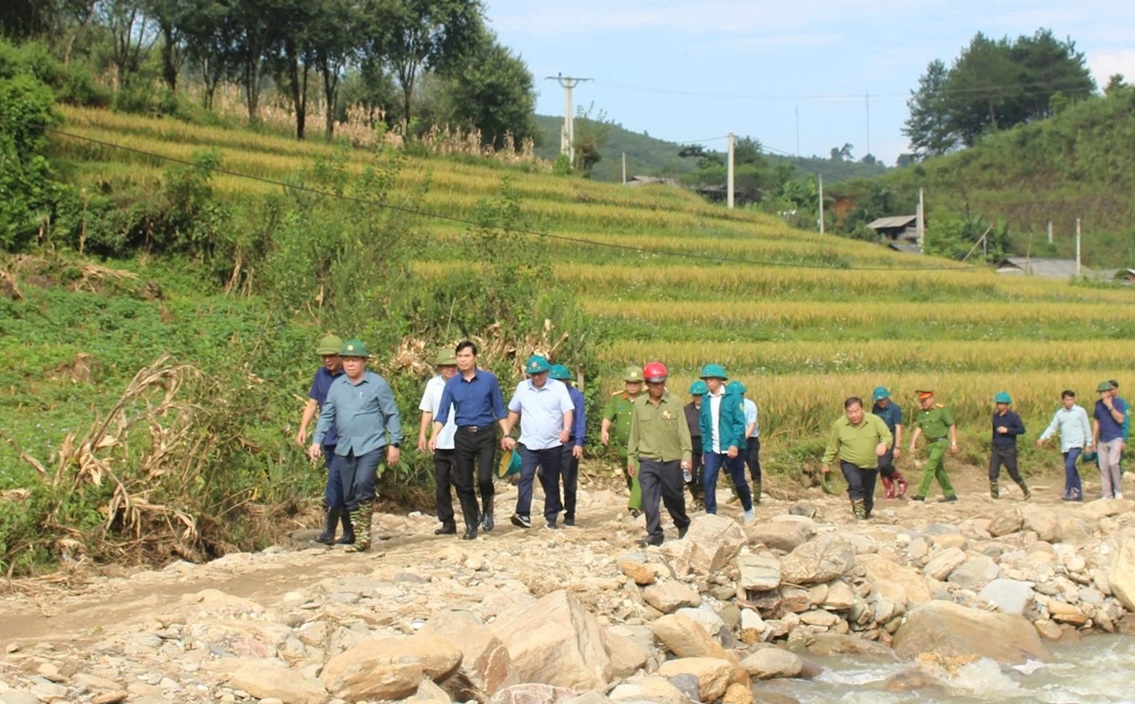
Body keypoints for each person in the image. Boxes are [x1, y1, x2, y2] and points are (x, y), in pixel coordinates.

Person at [308, 338, 402, 553]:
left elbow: (391, 413)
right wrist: (316, 440)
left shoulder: (377, 384)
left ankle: (363, 536)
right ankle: (358, 533)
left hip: (371, 444)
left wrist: (394, 442)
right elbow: (326, 414)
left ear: (364, 362)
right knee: (348, 493)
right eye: (347, 360)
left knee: (362, 483)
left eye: (355, 360)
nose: (350, 364)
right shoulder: (337, 386)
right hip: (345, 446)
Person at [432, 341, 508, 540]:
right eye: (460, 357)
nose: (463, 360)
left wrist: (507, 434)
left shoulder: (488, 380)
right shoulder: (452, 384)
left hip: (485, 434)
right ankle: (471, 525)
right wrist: (434, 435)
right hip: (463, 435)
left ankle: (488, 507)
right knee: (463, 482)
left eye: (466, 356)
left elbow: (499, 409)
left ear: (475, 357)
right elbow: (442, 413)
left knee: (483, 478)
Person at [501, 355, 574, 530]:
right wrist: (506, 433)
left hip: (552, 444)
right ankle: (523, 513)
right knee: (525, 477)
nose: (536, 377)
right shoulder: (522, 388)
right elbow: (514, 411)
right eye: (532, 374)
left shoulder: (558, 388)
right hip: (528, 442)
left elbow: (568, 410)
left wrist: (566, 430)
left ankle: (551, 516)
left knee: (550, 480)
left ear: (546, 372)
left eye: (539, 373)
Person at [627, 361, 692, 546]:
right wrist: (631, 458)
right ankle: (654, 533)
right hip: (648, 459)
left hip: (671, 459)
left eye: (661, 383)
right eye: (654, 384)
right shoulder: (640, 404)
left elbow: (683, 431)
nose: (659, 387)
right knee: (648, 498)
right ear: (647, 384)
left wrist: (687, 455)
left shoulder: (675, 402)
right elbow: (635, 433)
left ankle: (682, 524)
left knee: (673, 497)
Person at [295, 335, 351, 545]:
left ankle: (332, 530)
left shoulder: (350, 375)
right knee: (338, 483)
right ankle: (345, 531)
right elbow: (312, 403)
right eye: (324, 356)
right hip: (328, 438)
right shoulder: (321, 375)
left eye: (331, 355)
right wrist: (303, 428)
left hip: (348, 439)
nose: (327, 359)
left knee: (336, 483)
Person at [698, 364, 754, 522]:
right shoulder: (705, 399)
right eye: (706, 379)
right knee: (708, 479)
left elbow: (739, 422)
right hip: (712, 447)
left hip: (732, 446)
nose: (708, 381)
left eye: (711, 378)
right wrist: (704, 449)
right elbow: (703, 425)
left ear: (720, 380)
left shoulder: (733, 396)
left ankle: (748, 508)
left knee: (739, 481)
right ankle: (710, 513)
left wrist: (735, 443)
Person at [821, 396, 892, 519]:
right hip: (849, 462)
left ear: (862, 409)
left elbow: (887, 436)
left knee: (868, 495)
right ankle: (858, 513)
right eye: (850, 412)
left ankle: (866, 512)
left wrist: (884, 444)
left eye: (856, 411)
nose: (853, 415)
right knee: (855, 485)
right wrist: (826, 463)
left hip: (870, 464)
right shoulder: (839, 425)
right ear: (846, 412)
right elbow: (832, 446)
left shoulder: (875, 421)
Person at [418, 351, 460, 535]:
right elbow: (428, 411)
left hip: (461, 440)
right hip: (440, 440)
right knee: (441, 483)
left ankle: (473, 515)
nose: (450, 369)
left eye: (453, 365)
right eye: (445, 366)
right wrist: (423, 434)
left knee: (461, 480)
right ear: (440, 368)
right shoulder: (433, 385)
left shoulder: (464, 382)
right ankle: (447, 521)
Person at [602, 366, 645, 517]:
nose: (632, 386)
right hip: (623, 447)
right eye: (629, 383)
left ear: (641, 384)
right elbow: (608, 417)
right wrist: (604, 430)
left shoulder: (647, 398)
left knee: (638, 475)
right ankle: (642, 501)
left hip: (641, 447)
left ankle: (633, 507)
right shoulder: (618, 398)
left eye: (635, 383)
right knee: (630, 476)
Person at [1037, 390, 1093, 501]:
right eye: (1067, 400)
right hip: (1066, 445)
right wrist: (1043, 437)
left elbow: (1086, 427)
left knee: (1069, 465)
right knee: (1071, 467)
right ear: (1063, 400)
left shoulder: (1080, 411)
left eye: (1071, 399)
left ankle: (1067, 490)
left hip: (1077, 443)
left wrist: (1089, 443)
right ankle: (1078, 493)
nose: (1069, 402)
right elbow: (1053, 427)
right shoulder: (1060, 413)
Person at [550, 364, 586, 526]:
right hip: (550, 440)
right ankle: (556, 503)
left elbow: (580, 420)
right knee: (544, 473)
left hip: (569, 441)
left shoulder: (575, 395)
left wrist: (579, 442)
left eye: (561, 381)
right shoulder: (547, 394)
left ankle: (570, 513)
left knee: (569, 479)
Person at [907, 389, 958, 502]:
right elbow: (920, 427)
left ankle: (921, 494)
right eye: (921, 401)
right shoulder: (922, 413)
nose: (923, 403)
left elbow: (951, 425)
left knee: (930, 466)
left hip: (940, 442)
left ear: (932, 399)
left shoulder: (941, 410)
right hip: (930, 444)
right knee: (938, 470)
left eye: (925, 400)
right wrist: (913, 442)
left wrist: (954, 443)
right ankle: (950, 494)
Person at [989, 392, 1030, 500]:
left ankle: (1026, 491)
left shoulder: (1013, 417)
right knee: (992, 473)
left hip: (1009, 449)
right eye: (998, 403)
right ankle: (994, 495)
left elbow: (1022, 430)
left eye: (1002, 404)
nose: (999, 406)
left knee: (1013, 472)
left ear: (1007, 405)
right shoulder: (995, 417)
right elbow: (994, 432)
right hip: (997, 448)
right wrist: (993, 445)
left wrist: (1007, 430)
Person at [870, 386, 909, 499]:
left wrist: (897, 447)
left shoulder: (895, 409)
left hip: (891, 438)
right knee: (881, 466)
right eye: (878, 401)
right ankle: (889, 492)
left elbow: (898, 428)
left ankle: (901, 481)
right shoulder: (875, 408)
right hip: (879, 439)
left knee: (884, 464)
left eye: (882, 400)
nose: (880, 403)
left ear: (887, 398)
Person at [1092, 380, 1129, 499]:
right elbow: (1096, 421)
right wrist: (1093, 438)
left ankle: (1118, 490)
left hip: (1115, 437)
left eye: (1105, 392)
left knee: (1113, 463)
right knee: (1103, 467)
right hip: (1103, 438)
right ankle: (1106, 493)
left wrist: (1110, 406)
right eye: (1101, 392)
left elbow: (1120, 419)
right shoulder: (1098, 404)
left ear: (1109, 392)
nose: (1103, 394)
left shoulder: (1118, 403)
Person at [729, 380, 763, 505]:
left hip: (750, 440)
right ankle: (737, 493)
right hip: (733, 440)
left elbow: (751, 425)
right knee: (731, 466)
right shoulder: (728, 404)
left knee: (753, 465)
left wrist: (741, 439)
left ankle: (757, 497)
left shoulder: (750, 405)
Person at [684, 380, 707, 508]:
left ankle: (703, 500)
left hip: (706, 443)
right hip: (691, 443)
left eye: (701, 395)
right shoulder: (686, 410)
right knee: (689, 474)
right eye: (696, 395)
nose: (698, 398)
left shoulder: (710, 409)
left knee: (704, 474)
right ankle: (696, 496)